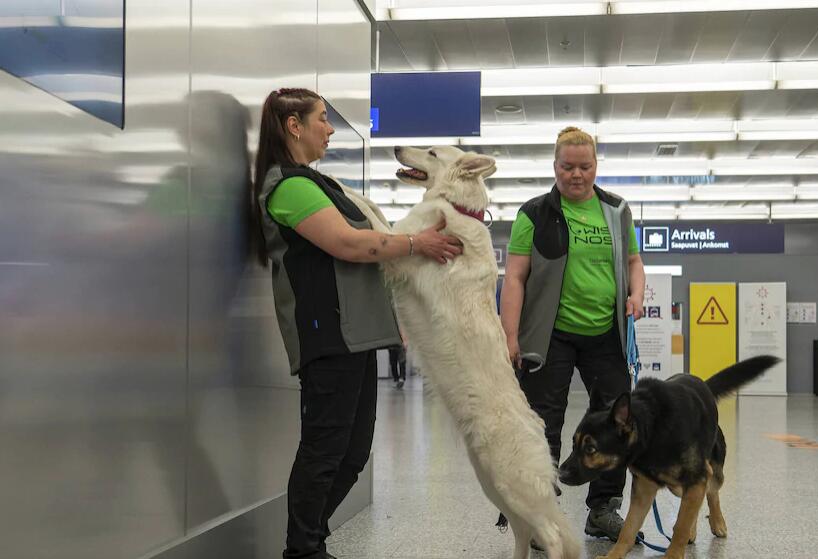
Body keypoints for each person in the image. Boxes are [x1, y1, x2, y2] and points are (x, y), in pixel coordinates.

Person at [252, 87, 462, 559]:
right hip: (329, 336)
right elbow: (351, 245)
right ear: (294, 126)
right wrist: (417, 244)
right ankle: (303, 549)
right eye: (322, 120)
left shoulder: (318, 182)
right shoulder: (288, 186)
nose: (329, 129)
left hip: (359, 335)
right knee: (325, 451)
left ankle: (310, 540)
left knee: (352, 453)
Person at [499, 126, 646, 543]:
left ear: (596, 166)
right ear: (555, 166)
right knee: (543, 421)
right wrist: (510, 335)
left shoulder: (617, 210)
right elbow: (515, 278)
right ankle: (538, 516)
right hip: (550, 335)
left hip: (606, 333)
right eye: (568, 167)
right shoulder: (534, 213)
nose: (576, 175)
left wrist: (636, 293)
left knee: (615, 422)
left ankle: (602, 509)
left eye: (585, 166)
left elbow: (634, 262)